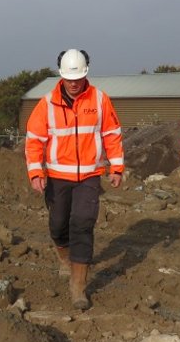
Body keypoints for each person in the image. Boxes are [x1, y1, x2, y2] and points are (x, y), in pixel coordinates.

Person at [25, 49, 125, 310]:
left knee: (82, 224)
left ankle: (78, 287)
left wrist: (116, 166)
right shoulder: (46, 104)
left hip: (89, 176)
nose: (74, 83)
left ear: (85, 74)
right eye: (69, 78)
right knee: (59, 226)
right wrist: (36, 172)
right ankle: (64, 257)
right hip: (58, 177)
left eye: (78, 77)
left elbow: (112, 134)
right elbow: (34, 141)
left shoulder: (100, 100)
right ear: (61, 76)